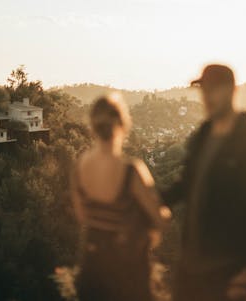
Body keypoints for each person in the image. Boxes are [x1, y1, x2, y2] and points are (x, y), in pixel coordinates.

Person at [162, 64, 246, 301]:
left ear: (232, 91)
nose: (207, 97)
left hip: (227, 271)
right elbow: (185, 185)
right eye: (204, 90)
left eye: (214, 90)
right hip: (190, 265)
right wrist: (152, 200)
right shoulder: (202, 138)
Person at [71, 94, 171, 301]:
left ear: (92, 126)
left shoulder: (80, 166)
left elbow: (83, 217)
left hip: (91, 269)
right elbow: (160, 219)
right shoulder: (131, 170)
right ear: (123, 124)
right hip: (127, 273)